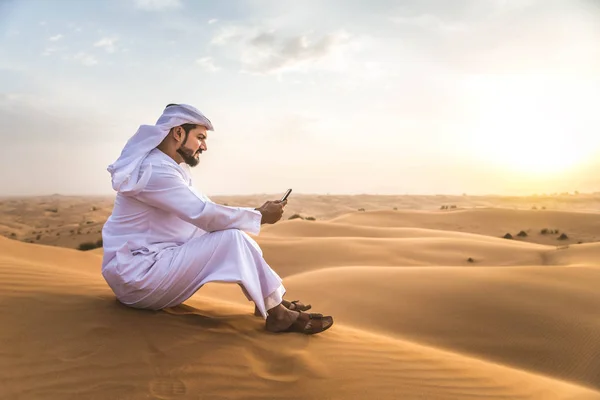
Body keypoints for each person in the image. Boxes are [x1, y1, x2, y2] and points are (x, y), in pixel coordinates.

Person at [101, 103, 333, 335]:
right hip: (138, 277)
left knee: (234, 235)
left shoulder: (170, 168)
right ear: (178, 133)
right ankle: (278, 314)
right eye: (200, 137)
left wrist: (256, 212)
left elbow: (210, 213)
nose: (204, 146)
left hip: (150, 268)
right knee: (230, 238)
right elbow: (205, 214)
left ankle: (272, 300)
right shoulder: (155, 171)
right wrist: (260, 216)